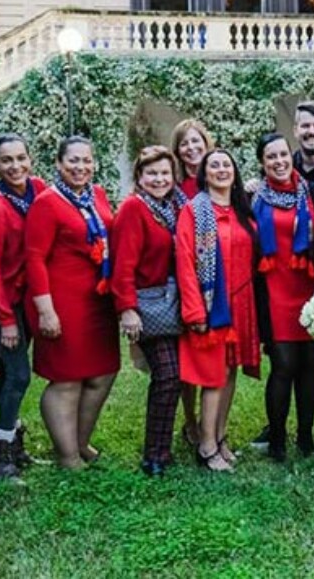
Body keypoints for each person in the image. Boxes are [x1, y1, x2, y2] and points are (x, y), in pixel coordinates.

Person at [24, 136, 121, 469]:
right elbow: (34, 258)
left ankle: (80, 441)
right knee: (66, 379)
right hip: (62, 302)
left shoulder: (97, 195)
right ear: (59, 164)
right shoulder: (47, 203)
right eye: (73, 161)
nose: (81, 167)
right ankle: (67, 455)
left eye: (86, 161)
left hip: (99, 301)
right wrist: (45, 310)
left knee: (103, 373)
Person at [251, 100, 314, 451]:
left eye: (283, 155)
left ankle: (304, 435)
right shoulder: (253, 198)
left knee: (310, 365)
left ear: (291, 154)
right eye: (271, 158)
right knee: (283, 363)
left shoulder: (313, 192)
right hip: (274, 290)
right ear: (263, 163)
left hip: (307, 286)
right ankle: (277, 437)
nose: (279, 162)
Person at [176, 149, 260, 473]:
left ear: (235, 172)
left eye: (227, 164)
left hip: (241, 302)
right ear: (204, 173)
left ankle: (221, 436)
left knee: (230, 371)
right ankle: (205, 443)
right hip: (211, 304)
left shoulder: (243, 210)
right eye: (215, 165)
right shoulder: (194, 211)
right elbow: (185, 261)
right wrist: (195, 311)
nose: (221, 170)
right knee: (213, 375)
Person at [112, 146, 187, 477]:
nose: (159, 179)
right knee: (168, 375)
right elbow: (122, 264)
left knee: (171, 378)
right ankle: (153, 454)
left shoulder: (173, 206)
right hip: (147, 305)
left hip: (172, 302)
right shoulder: (134, 208)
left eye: (164, 173)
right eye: (151, 174)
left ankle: (161, 449)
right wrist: (127, 310)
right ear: (140, 178)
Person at [0, 134, 47, 479]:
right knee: (19, 373)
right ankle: (1, 456)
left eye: (20, 158)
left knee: (11, 374)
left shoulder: (38, 190)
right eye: (7, 161)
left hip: (29, 299)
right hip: (3, 303)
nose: (15, 166)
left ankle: (16, 447)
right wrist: (6, 320)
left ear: (30, 159)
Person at [170, 118, 213, 445]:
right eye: (185, 143)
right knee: (186, 352)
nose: (192, 148)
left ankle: (211, 420)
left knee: (212, 354)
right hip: (182, 276)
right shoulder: (173, 189)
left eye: (197, 142)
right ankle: (190, 421)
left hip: (216, 279)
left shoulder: (218, 179)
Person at [171, 118, 213, 200]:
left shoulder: (220, 177)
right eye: (184, 144)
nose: (190, 147)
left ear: (205, 143)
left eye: (195, 141)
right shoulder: (172, 186)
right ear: (177, 151)